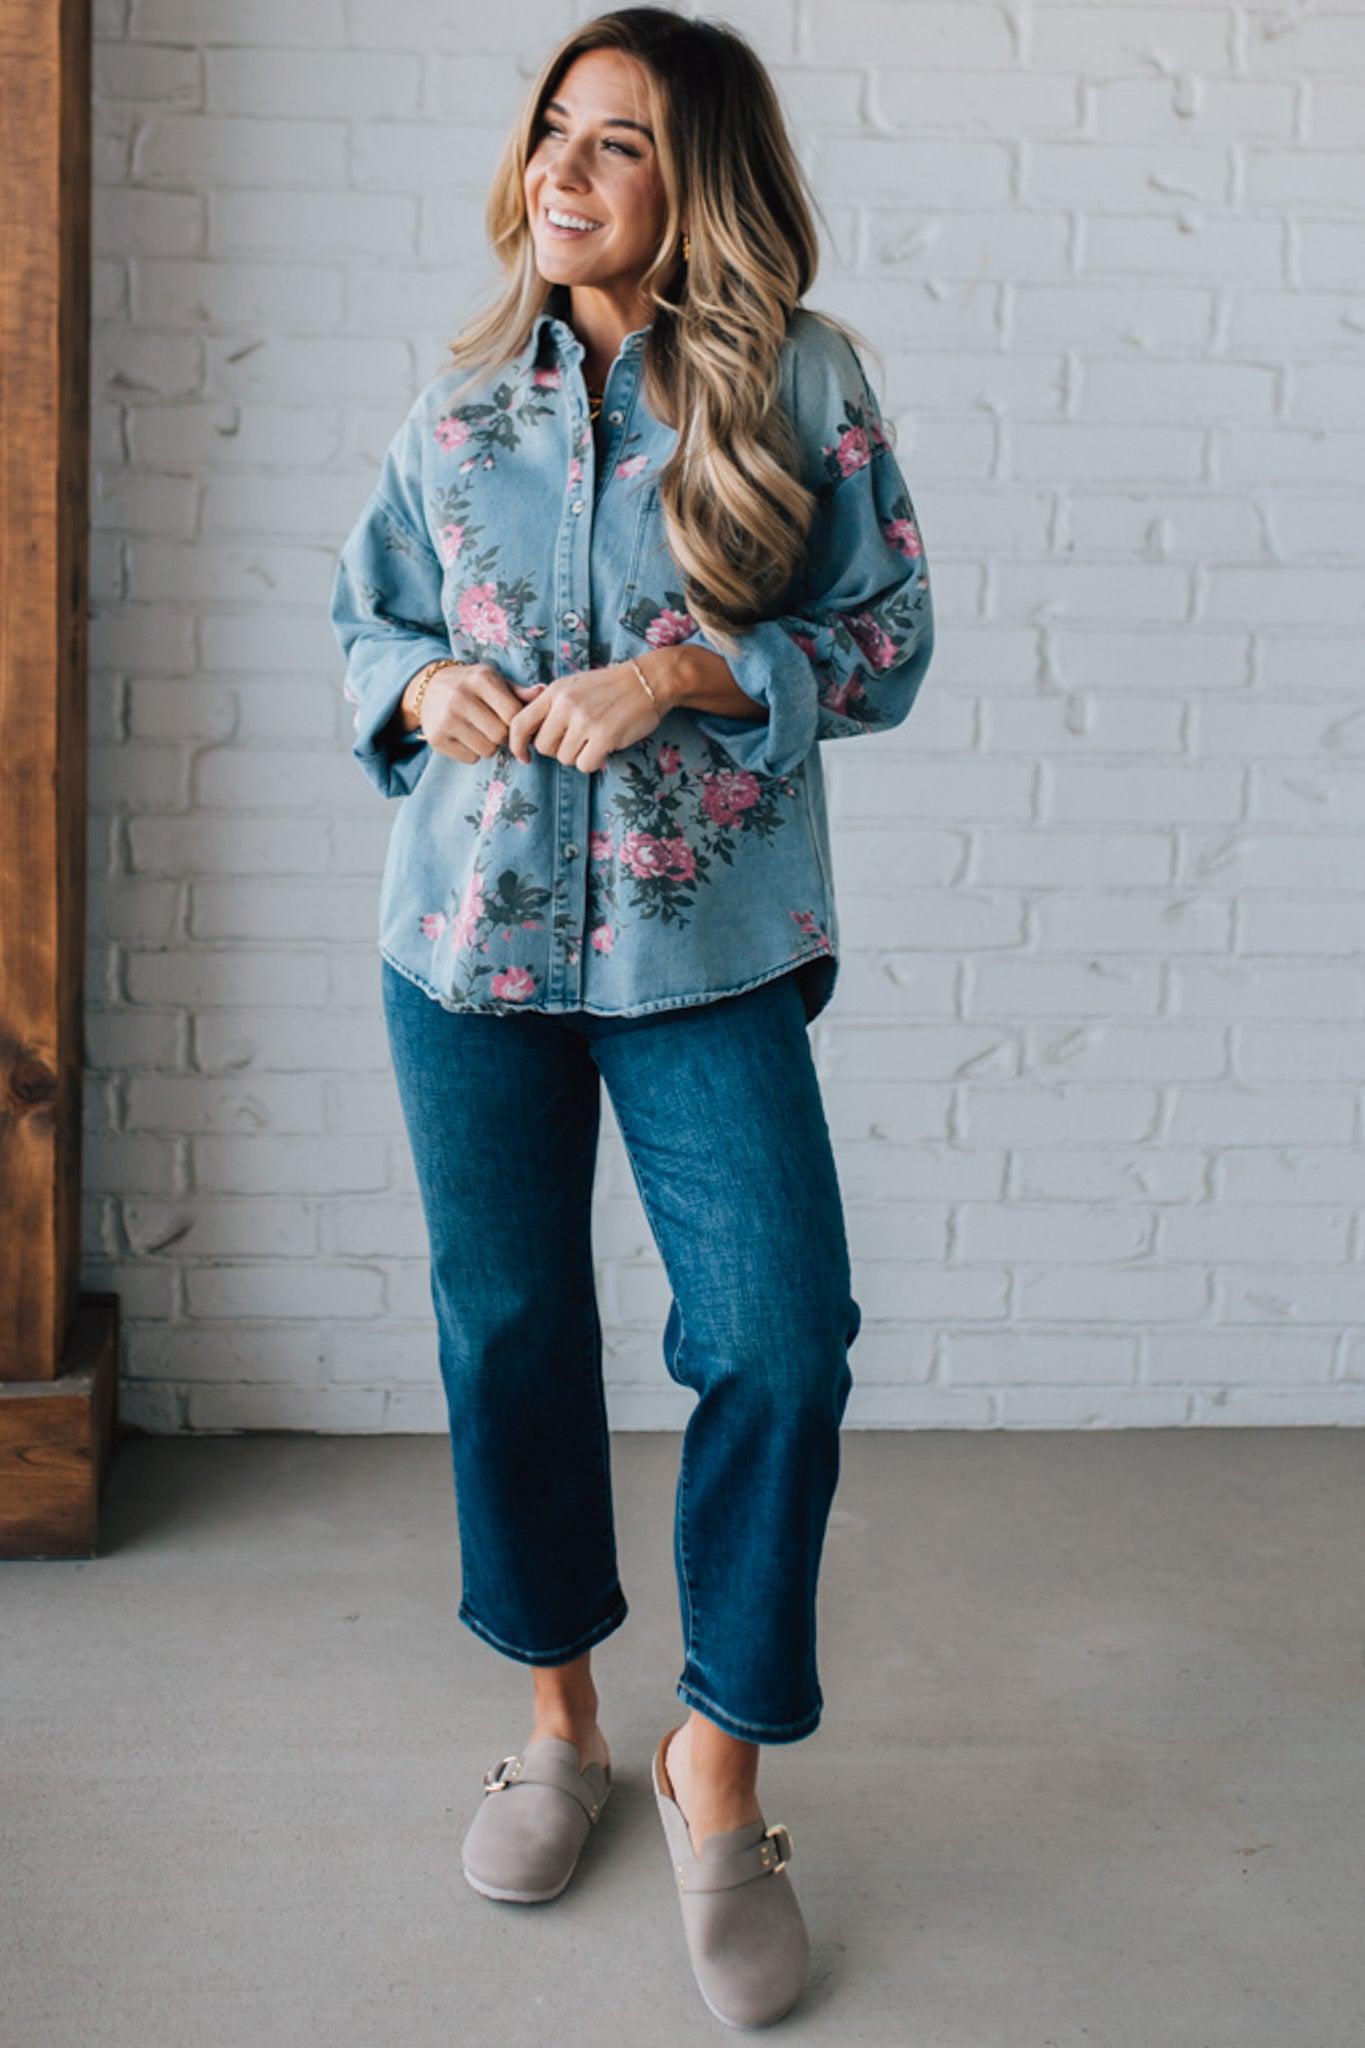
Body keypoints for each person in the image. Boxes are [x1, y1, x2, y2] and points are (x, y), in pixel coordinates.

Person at [330, 7, 933, 2027]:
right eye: (553, 133)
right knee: (508, 1328)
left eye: (623, 147)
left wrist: (688, 674)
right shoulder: (460, 403)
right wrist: (426, 694)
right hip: (468, 947)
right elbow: (371, 617)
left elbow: (886, 640)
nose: (567, 175)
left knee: (774, 1335)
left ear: (703, 188)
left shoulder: (801, 384)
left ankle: (717, 1770)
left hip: (708, 952)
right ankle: (561, 1722)